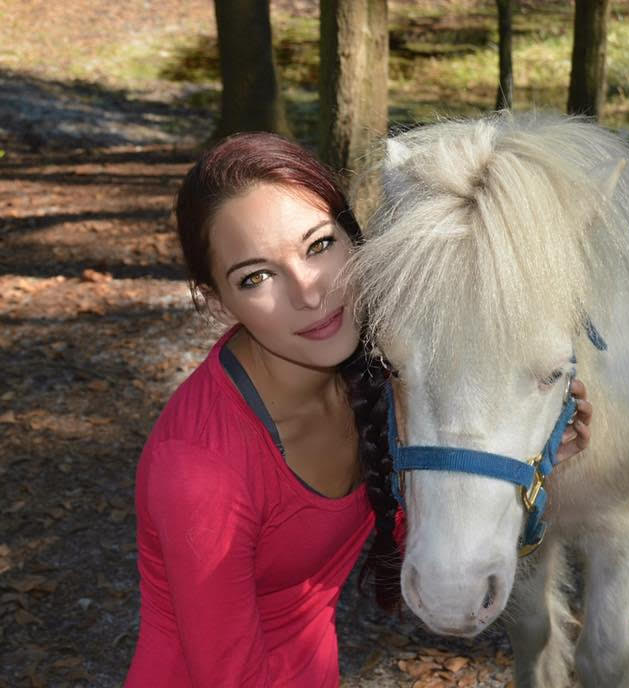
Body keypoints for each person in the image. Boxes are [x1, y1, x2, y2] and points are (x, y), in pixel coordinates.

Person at [124, 132, 594, 687]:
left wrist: (522, 454)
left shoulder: (375, 373)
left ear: (356, 237)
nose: (309, 294)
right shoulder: (199, 472)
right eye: (256, 277)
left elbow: (418, 519)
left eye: (319, 245)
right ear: (217, 300)